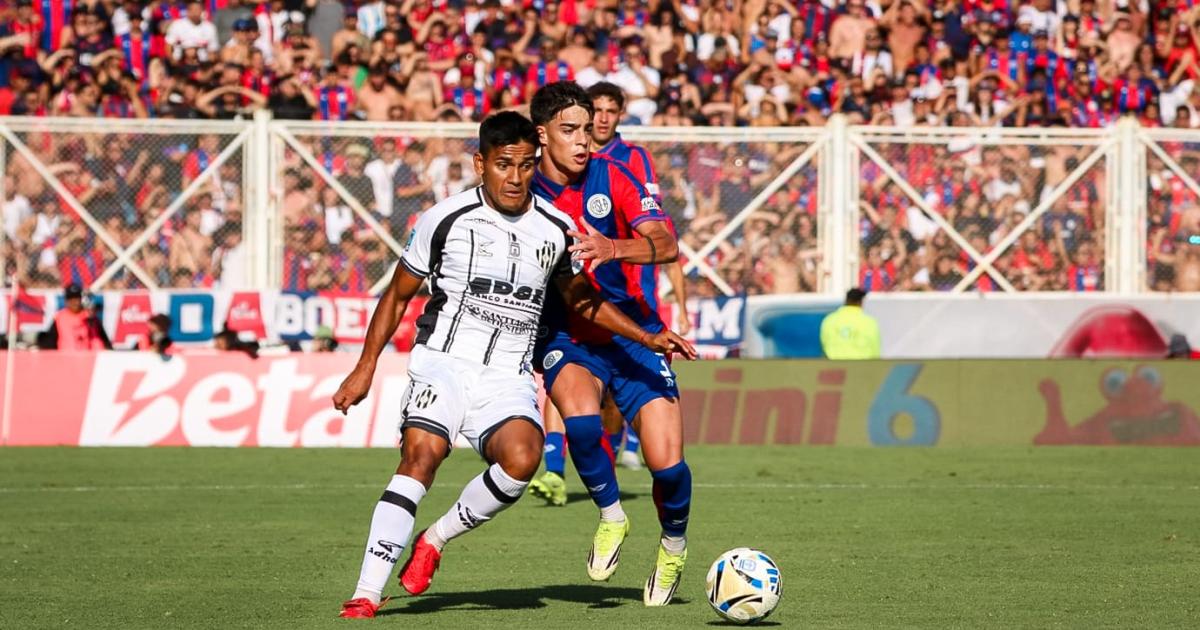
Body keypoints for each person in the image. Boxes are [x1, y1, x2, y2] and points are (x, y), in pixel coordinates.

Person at [332, 111, 694, 619]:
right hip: (444, 362)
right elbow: (396, 296)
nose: (516, 177)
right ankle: (366, 594)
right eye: (504, 165)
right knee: (422, 457)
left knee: (522, 461)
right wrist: (364, 367)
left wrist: (646, 334)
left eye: (526, 166)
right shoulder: (444, 218)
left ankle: (434, 539)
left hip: (508, 373)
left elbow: (583, 300)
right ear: (480, 163)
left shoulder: (555, 227)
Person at [527, 81, 691, 606]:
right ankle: (612, 516)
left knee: (668, 466)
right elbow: (573, 297)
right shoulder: (527, 198)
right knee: (578, 416)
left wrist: (613, 247)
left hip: (637, 331)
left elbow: (667, 245)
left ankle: (673, 546)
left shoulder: (614, 174)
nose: (584, 140)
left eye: (587, 129)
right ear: (542, 134)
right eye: (570, 130)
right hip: (572, 334)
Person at [43, 284, 110, 351]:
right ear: (66, 301)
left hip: (89, 357)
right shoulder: (59, 317)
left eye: (77, 298)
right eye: (71, 299)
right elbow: (49, 343)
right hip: (67, 358)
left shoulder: (91, 318)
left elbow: (103, 342)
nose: (75, 302)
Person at [820, 288, 881, 360]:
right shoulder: (869, 322)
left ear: (846, 301)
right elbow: (875, 351)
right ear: (861, 302)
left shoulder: (829, 320)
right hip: (860, 368)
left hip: (835, 368)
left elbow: (824, 347)